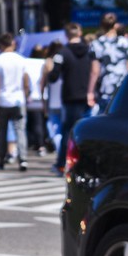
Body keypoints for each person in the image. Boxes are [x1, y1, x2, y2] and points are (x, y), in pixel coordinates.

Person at [47, 22, 93, 176]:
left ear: (66, 35)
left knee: (68, 131)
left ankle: (62, 164)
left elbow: (53, 76)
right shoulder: (90, 51)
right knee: (87, 131)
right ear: (79, 33)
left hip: (70, 96)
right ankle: (87, 164)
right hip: (88, 96)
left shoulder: (62, 53)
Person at [0, 33, 30, 171]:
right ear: (12, 44)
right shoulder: (21, 60)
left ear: (1, 45)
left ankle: (1, 159)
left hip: (2, 99)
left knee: (2, 131)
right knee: (20, 130)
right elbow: (26, 82)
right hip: (18, 99)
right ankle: (23, 158)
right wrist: (26, 95)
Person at [88, 12, 128, 113]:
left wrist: (90, 92)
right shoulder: (126, 42)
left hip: (106, 88)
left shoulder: (96, 44)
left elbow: (95, 71)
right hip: (123, 87)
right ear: (115, 25)